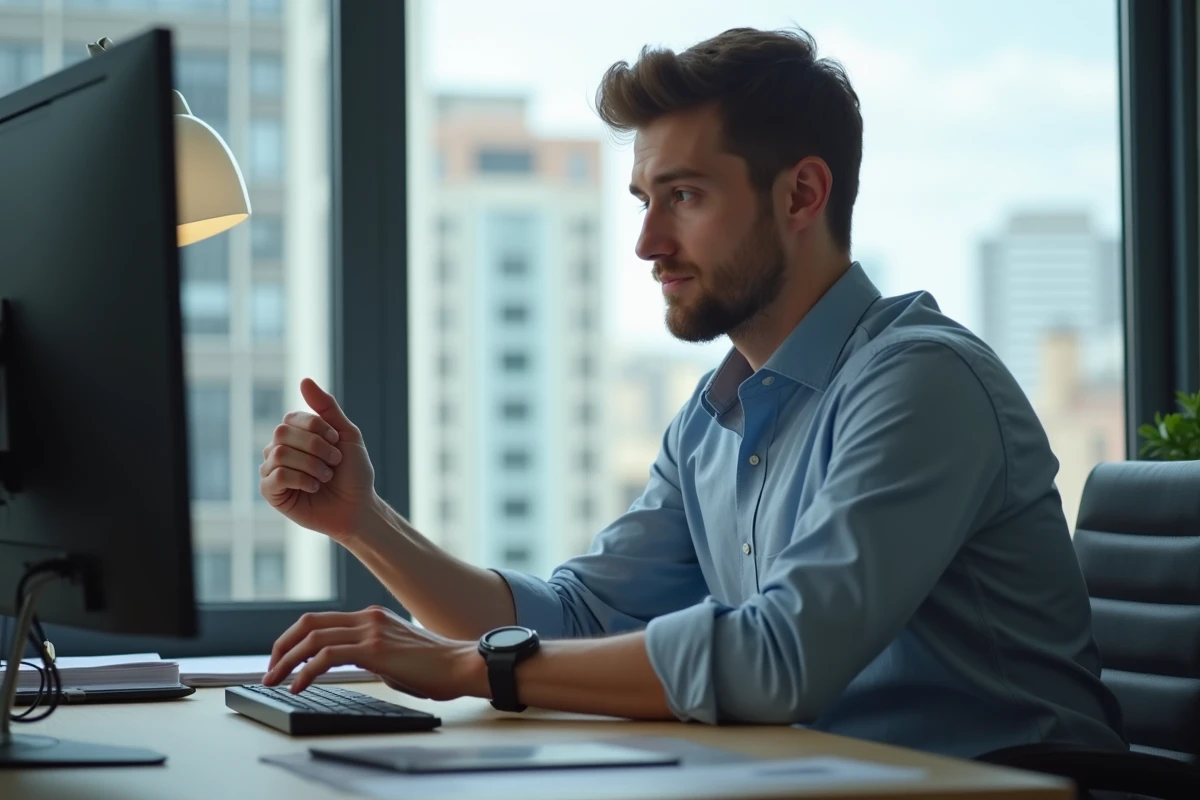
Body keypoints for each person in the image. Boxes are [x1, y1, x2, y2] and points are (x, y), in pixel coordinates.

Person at [257, 26, 1128, 759]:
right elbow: (572, 620)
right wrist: (363, 522)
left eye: (683, 195)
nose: (645, 242)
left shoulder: (922, 384)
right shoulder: (712, 423)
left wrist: (467, 667)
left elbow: (782, 657)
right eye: (643, 198)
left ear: (802, 194)